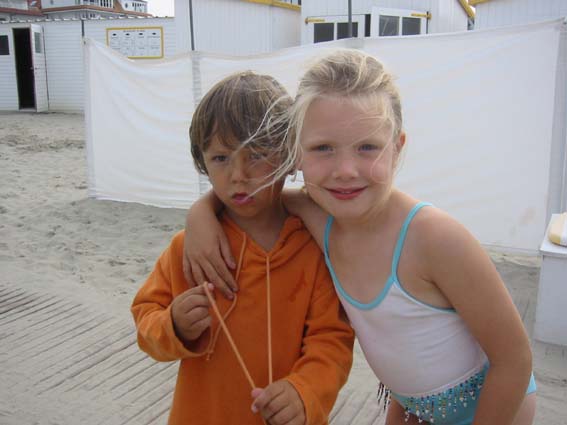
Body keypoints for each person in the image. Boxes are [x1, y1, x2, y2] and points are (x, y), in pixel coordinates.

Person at [182, 51, 537, 425]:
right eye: (323, 148)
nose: (346, 170)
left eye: (368, 147)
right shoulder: (318, 216)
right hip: (412, 407)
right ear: (295, 155)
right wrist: (201, 213)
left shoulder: (434, 238)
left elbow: (515, 359)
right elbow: (256, 197)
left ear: (397, 147)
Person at [131, 71, 355, 425]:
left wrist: (305, 391)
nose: (238, 175)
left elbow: (332, 340)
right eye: (221, 158)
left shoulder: (313, 248)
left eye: (257, 155)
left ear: (289, 155)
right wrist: (173, 324)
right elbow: (146, 319)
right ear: (202, 161)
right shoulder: (189, 248)